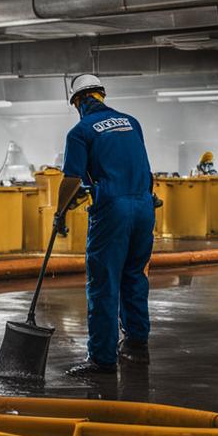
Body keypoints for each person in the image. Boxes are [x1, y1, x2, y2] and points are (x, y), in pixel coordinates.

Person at [53, 74, 154, 376]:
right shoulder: (132, 122)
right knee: (134, 276)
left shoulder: (80, 131)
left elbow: (71, 179)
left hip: (113, 211)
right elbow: (141, 168)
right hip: (144, 205)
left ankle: (101, 358)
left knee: (104, 283)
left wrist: (60, 213)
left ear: (78, 101)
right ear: (100, 95)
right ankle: (137, 346)